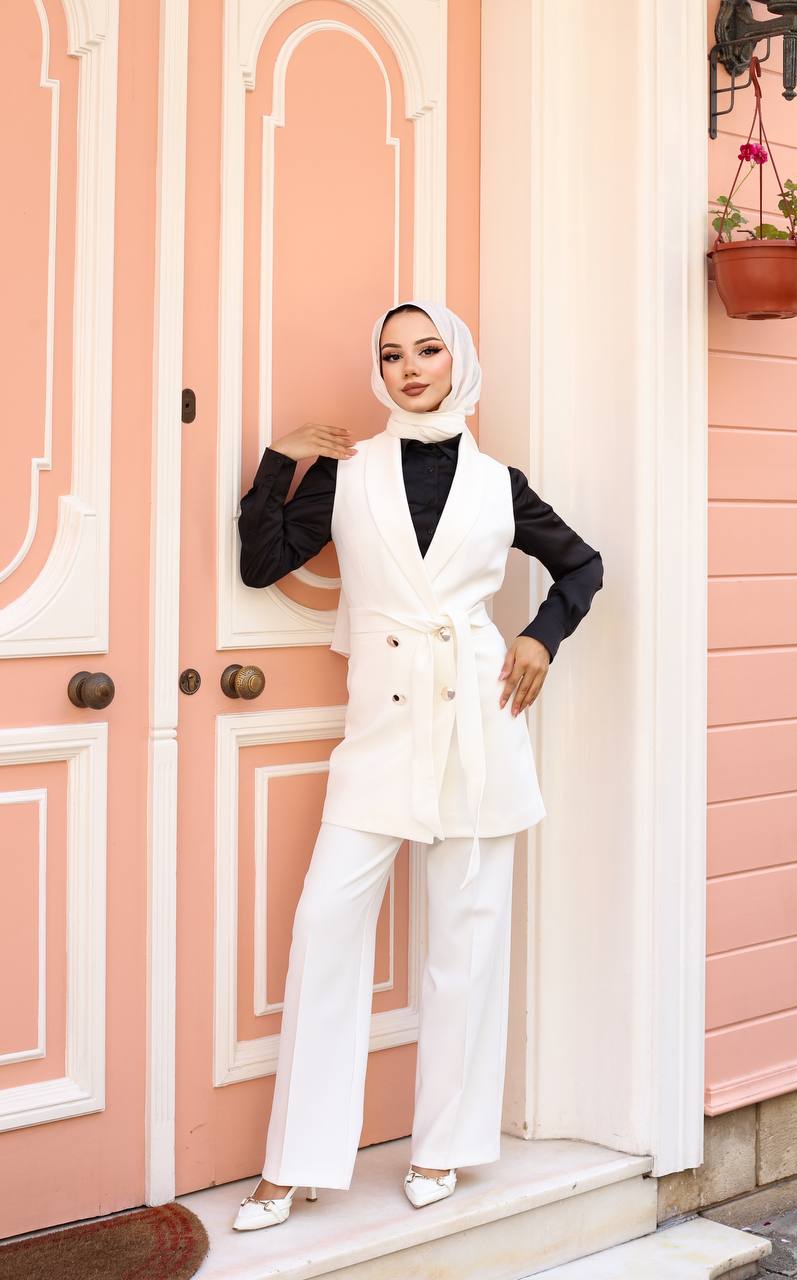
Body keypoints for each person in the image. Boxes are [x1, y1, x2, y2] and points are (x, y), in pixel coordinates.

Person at [231, 300, 603, 1231]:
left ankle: (443, 1145)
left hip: (479, 717)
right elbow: (261, 562)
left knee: (466, 941)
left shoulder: (498, 483)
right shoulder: (349, 472)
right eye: (392, 354)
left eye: (427, 350)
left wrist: (539, 637)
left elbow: (582, 567)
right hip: (382, 726)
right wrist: (281, 461)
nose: (409, 367)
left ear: (456, 361)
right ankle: (294, 1163)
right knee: (325, 928)